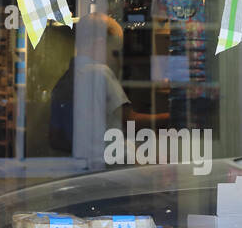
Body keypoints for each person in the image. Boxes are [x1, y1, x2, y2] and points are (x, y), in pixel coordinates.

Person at [49, 11, 166, 166]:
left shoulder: (65, 79)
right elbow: (129, 121)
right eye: (115, 52)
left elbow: (55, 137)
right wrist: (172, 118)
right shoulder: (100, 72)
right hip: (105, 168)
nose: (118, 59)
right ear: (100, 44)